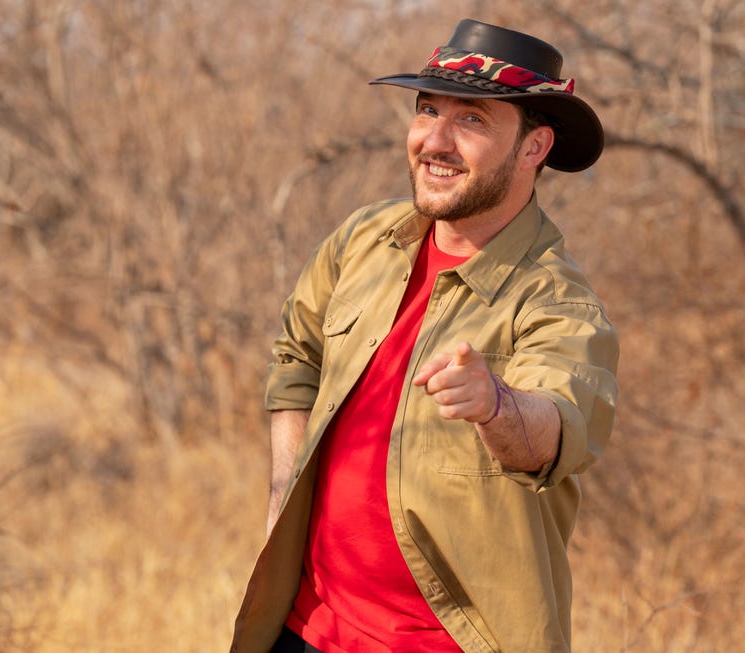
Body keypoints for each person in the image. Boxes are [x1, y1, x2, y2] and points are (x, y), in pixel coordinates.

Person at [230, 18, 619, 653]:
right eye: (426, 110)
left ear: (533, 148)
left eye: (471, 120)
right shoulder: (366, 239)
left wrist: (496, 404)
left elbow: (557, 430)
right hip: (303, 631)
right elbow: (297, 357)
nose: (433, 140)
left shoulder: (557, 303)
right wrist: (281, 507)